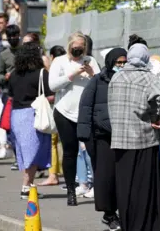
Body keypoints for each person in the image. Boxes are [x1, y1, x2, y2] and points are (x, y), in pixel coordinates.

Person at [107, 43, 160, 231]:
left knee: (125, 187)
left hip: (119, 139)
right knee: (144, 188)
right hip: (144, 139)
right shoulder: (148, 78)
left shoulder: (116, 77)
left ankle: (127, 224)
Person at [77, 47, 126, 230]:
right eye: (118, 63)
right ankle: (109, 213)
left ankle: (122, 212)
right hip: (103, 137)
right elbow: (86, 107)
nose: (121, 66)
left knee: (121, 177)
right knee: (106, 176)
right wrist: (84, 135)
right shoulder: (97, 81)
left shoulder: (128, 81)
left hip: (124, 136)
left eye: (124, 62)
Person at [49, 32, 100, 206]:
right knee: (70, 152)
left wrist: (92, 73)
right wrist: (71, 75)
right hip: (64, 112)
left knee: (94, 152)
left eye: (81, 48)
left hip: (86, 114)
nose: (78, 51)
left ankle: (98, 189)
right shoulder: (59, 62)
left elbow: (101, 83)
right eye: (75, 48)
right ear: (69, 46)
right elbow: (53, 85)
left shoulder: (91, 61)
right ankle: (71, 191)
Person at [8, 42, 53, 198]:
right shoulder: (41, 73)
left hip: (16, 115)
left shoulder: (14, 74)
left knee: (25, 153)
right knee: (33, 153)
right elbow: (50, 95)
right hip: (33, 114)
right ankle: (26, 188)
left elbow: (11, 94)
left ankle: (29, 186)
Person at [37, 45, 66, 187]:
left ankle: (53, 174)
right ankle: (61, 170)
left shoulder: (52, 71)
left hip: (55, 109)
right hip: (68, 110)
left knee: (52, 143)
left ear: (52, 57)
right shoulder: (68, 67)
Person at [0, 25, 20, 164]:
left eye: (15, 36)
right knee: (11, 126)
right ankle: (16, 155)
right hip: (9, 94)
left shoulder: (24, 52)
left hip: (25, 92)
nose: (13, 39)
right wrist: (5, 77)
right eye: (10, 37)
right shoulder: (4, 55)